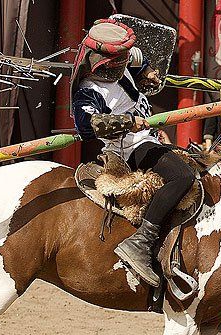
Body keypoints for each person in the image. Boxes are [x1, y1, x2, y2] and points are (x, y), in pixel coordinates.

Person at [71, 19, 195, 287]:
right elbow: (88, 125)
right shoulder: (88, 91)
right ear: (101, 61)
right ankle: (141, 242)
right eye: (118, 61)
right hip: (129, 148)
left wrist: (148, 71)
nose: (124, 63)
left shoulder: (124, 59)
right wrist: (127, 122)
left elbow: (139, 58)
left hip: (148, 138)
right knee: (182, 176)